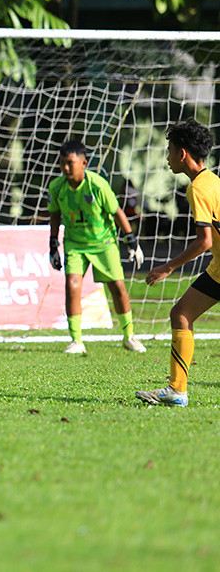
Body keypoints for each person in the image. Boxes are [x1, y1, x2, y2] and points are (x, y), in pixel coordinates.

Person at [137, 119, 219, 407]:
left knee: (181, 314)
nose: (168, 157)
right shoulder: (212, 181)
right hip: (218, 270)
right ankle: (177, 391)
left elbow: (204, 241)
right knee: (181, 314)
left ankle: (178, 390)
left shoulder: (198, 189)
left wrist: (167, 267)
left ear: (182, 154)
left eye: (170, 150)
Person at [48, 140, 146, 355]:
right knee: (72, 287)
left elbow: (117, 212)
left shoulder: (97, 185)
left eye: (70, 163)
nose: (65, 168)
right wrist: (53, 244)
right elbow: (55, 215)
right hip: (75, 244)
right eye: (62, 163)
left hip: (104, 243)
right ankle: (76, 340)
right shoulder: (57, 187)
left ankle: (129, 335)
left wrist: (131, 240)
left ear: (83, 163)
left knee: (117, 287)